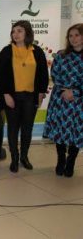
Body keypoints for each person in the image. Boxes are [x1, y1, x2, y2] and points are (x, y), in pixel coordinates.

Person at [0, 20, 48, 173]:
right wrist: (6, 95)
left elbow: (43, 74)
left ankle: (24, 157)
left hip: (30, 97)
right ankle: (15, 159)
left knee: (27, 129)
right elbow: (0, 75)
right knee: (12, 129)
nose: (15, 34)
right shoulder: (7, 51)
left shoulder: (36, 51)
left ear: (27, 33)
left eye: (19, 31)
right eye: (13, 31)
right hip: (12, 96)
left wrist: (41, 93)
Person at [44, 24, 82, 177]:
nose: (73, 38)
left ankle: (71, 161)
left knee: (76, 132)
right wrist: (64, 91)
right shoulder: (60, 55)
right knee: (60, 130)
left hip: (79, 101)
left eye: (77, 35)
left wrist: (75, 92)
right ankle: (60, 160)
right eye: (70, 36)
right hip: (60, 98)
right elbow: (55, 75)